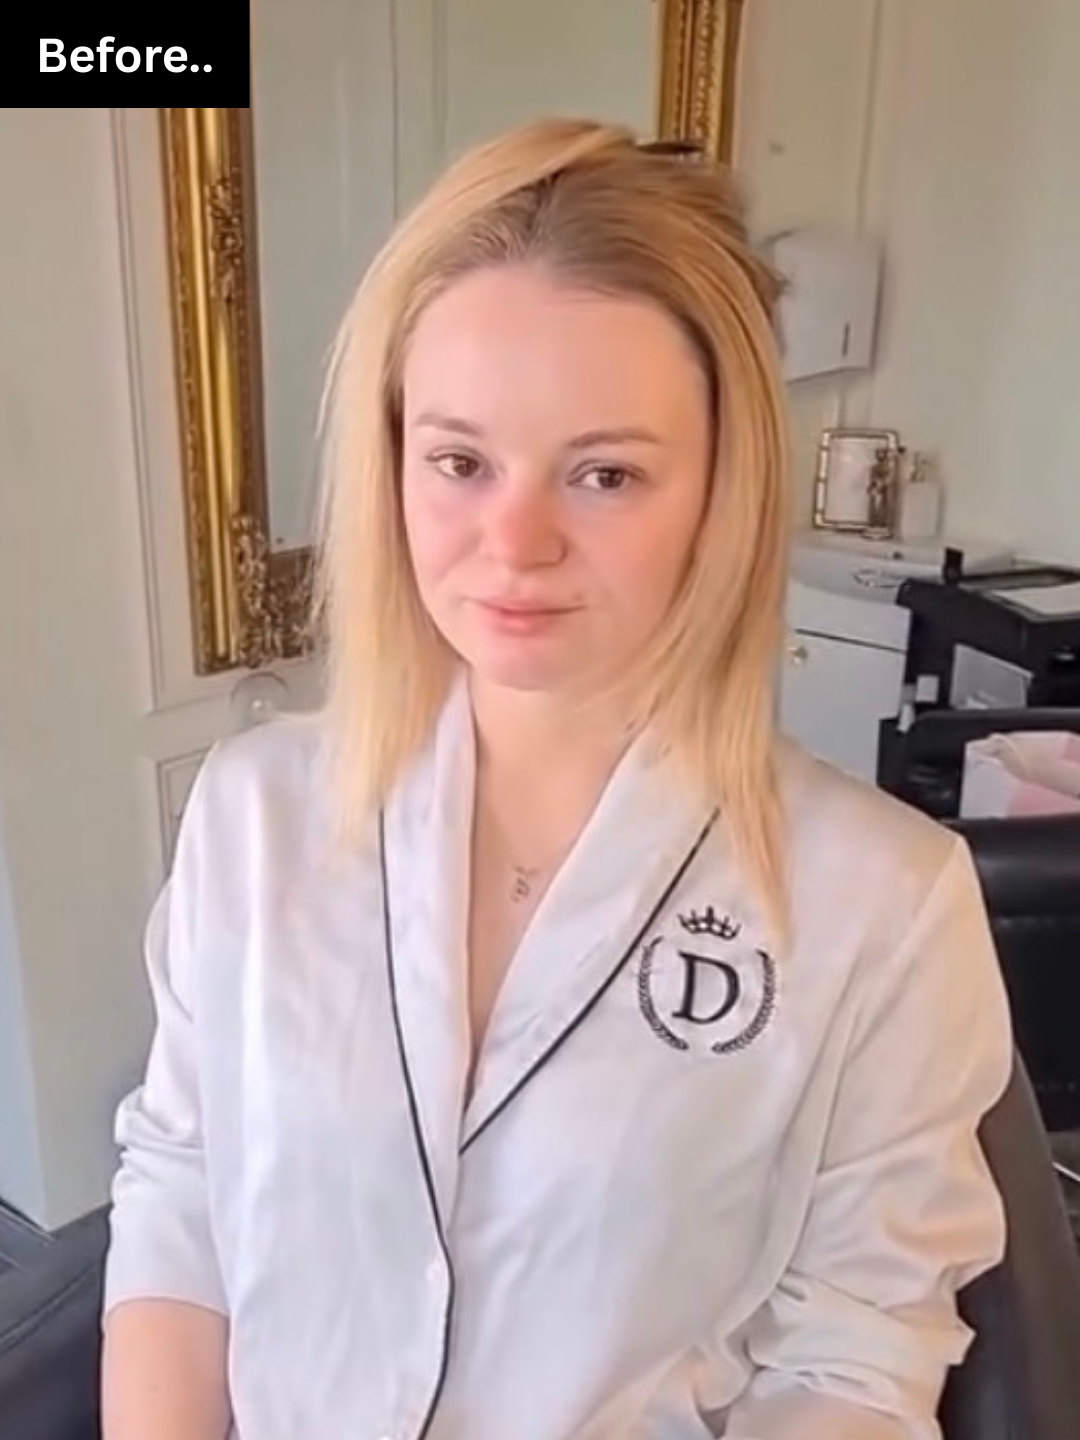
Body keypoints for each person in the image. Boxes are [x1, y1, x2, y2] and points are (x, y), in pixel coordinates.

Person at [100, 118, 1012, 1440]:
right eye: (460, 462)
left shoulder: (884, 901)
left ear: (721, 492)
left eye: (605, 474)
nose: (515, 542)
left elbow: (857, 1358)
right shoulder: (252, 815)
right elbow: (182, 1191)